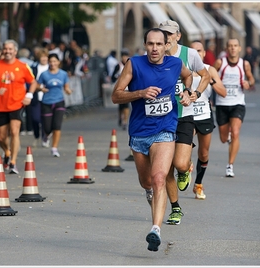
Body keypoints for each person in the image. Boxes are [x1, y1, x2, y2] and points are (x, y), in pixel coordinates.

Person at [111, 28, 192, 252]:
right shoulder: (134, 64)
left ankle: (155, 229)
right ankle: (152, 196)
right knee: (147, 182)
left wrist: (186, 91)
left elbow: (188, 76)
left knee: (159, 178)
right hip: (139, 133)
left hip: (165, 129)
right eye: (150, 44)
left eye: (158, 44)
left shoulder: (175, 64)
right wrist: (139, 93)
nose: (154, 48)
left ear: (167, 45)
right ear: (145, 45)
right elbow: (115, 95)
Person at [159, 19, 210, 224]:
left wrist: (195, 93)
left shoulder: (189, 54)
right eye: (163, 33)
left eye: (170, 34)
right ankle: (175, 208)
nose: (166, 37)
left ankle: (186, 167)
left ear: (178, 36)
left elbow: (204, 75)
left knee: (179, 163)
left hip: (183, 116)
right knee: (165, 168)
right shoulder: (154, 55)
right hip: (161, 119)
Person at [0, 39, 38, 174]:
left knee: (14, 132)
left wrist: (29, 96)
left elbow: (33, 82)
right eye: (5, 49)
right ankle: (7, 152)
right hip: (1, 106)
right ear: (3, 50)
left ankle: (13, 162)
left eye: (10, 49)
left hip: (17, 104)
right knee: (1, 137)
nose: (7, 51)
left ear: (15, 51)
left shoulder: (22, 66)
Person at [190, 41, 226, 199]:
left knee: (203, 154)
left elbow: (223, 92)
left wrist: (210, 79)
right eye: (193, 51)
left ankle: (198, 184)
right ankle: (185, 168)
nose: (196, 53)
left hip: (204, 114)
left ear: (204, 53)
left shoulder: (210, 69)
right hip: (187, 114)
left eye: (199, 50)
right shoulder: (183, 69)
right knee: (182, 152)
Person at [213, 38, 254, 177]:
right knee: (224, 139)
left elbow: (251, 78)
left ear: (239, 48)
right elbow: (209, 76)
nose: (233, 48)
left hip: (238, 103)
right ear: (226, 48)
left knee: (236, 133)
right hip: (222, 104)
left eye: (235, 46)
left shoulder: (244, 64)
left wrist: (248, 83)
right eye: (230, 46)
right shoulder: (220, 63)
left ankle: (230, 165)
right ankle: (228, 136)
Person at [37, 53, 72, 157]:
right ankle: (46, 135)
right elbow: (38, 85)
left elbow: (66, 87)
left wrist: (68, 91)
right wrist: (41, 89)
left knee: (57, 126)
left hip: (59, 101)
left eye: (54, 61)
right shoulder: (44, 74)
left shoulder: (63, 74)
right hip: (46, 102)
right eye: (50, 62)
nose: (52, 64)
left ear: (58, 62)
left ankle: (54, 148)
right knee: (47, 127)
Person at [30, 48, 49, 148]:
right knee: (35, 118)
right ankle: (36, 134)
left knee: (45, 119)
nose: (44, 59)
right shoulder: (34, 68)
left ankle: (44, 137)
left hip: (47, 97)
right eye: (42, 57)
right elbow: (31, 81)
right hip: (36, 96)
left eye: (45, 57)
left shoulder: (50, 68)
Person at [111, 49, 131, 130]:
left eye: (126, 56)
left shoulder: (130, 65)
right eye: (123, 56)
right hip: (120, 88)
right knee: (121, 106)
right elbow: (112, 76)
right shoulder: (118, 66)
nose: (124, 58)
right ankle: (120, 118)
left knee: (126, 106)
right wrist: (117, 77)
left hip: (127, 89)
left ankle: (125, 121)